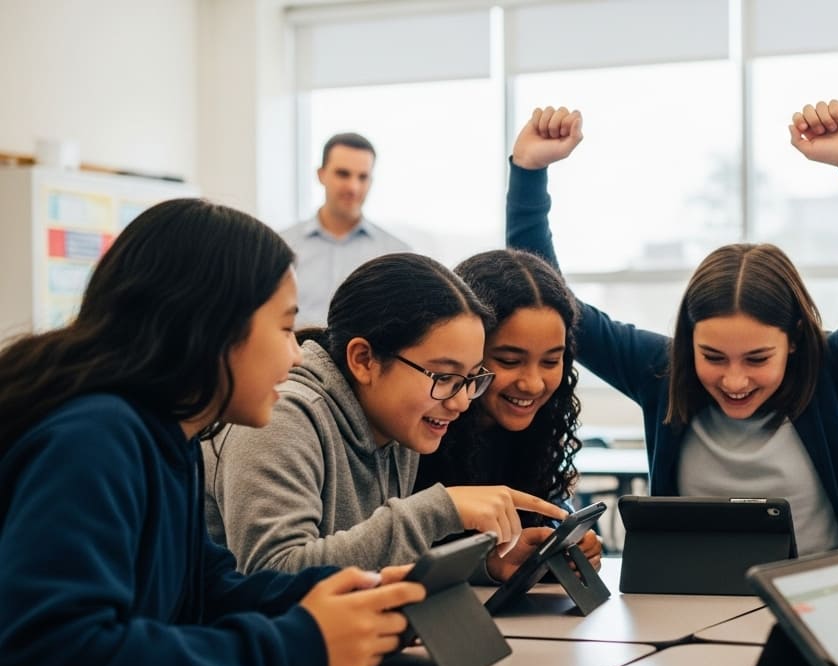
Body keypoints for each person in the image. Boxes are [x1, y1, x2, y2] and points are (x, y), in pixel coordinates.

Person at [0, 199, 425, 666]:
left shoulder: (168, 435)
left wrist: (342, 592)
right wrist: (300, 646)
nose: (296, 356)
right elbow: (50, 662)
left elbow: (207, 593)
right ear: (213, 328)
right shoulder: (94, 438)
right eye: (285, 328)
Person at [507, 101, 838, 555]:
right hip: (688, 604)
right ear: (689, 344)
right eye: (713, 357)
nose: (735, 380)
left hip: (824, 602)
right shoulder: (660, 371)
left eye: (758, 358)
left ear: (794, 342)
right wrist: (529, 172)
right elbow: (547, 301)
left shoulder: (834, 366)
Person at [205, 252, 568, 582]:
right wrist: (439, 510)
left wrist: (486, 564)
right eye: (443, 377)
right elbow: (272, 575)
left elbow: (373, 563)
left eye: (471, 379)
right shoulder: (285, 417)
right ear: (363, 360)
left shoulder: (398, 424)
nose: (460, 403)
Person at [415, 248, 602, 563]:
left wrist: (560, 539)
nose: (532, 383)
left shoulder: (537, 429)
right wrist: (485, 560)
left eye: (551, 361)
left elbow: (536, 522)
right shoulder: (422, 429)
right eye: (509, 360)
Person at [282, 132, 411, 326]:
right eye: (343, 174)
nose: (353, 187)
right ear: (321, 174)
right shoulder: (282, 247)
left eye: (363, 177)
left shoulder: (397, 255)